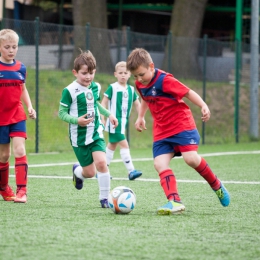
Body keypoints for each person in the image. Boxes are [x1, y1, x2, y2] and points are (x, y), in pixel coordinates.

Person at [126, 48, 230, 215]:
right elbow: (146, 98)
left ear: (151, 66)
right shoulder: (140, 84)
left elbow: (188, 93)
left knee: (190, 159)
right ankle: (174, 201)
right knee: (159, 164)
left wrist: (203, 105)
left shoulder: (165, 80)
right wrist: (140, 117)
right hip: (162, 131)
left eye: (141, 74)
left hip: (182, 125)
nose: (139, 79)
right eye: (135, 76)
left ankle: (216, 185)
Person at [58, 49, 118, 208]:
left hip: (96, 132)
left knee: (101, 163)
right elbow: (62, 113)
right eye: (84, 73)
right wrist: (77, 120)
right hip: (78, 137)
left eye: (91, 73)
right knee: (90, 173)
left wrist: (109, 114)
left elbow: (96, 104)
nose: (88, 77)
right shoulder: (69, 91)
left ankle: (105, 199)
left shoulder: (95, 87)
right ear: (75, 72)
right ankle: (78, 172)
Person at [0, 29, 37, 203]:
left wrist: (30, 106)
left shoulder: (21, 67)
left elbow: (22, 88)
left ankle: (22, 191)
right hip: (1, 117)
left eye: (14, 46)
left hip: (17, 114)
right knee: (4, 156)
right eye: (7, 47)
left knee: (20, 150)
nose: (11, 50)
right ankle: (3, 188)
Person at [101, 61, 142, 180]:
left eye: (125, 73)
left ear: (130, 74)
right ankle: (131, 171)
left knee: (112, 146)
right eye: (120, 73)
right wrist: (103, 116)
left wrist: (141, 117)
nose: (123, 75)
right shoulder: (113, 87)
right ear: (115, 74)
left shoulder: (131, 89)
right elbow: (104, 102)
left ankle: (102, 171)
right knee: (124, 144)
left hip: (123, 122)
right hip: (114, 122)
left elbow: (138, 104)